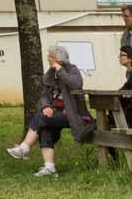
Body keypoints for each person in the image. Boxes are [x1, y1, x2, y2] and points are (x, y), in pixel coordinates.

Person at [6, 45, 95, 177]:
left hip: (72, 114)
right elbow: (44, 96)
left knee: (41, 118)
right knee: (45, 128)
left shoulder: (72, 70)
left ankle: (24, 148)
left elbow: (76, 85)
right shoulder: (50, 74)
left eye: (51, 57)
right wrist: (46, 106)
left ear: (59, 60)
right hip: (54, 113)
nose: (48, 59)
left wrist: (60, 70)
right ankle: (50, 168)